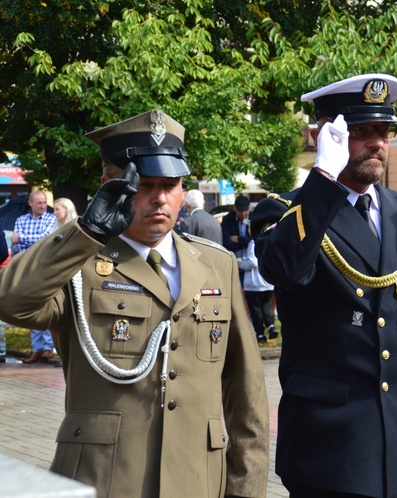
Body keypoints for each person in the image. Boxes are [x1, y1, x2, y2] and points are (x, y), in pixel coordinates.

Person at [0, 109, 269, 498]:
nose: (159, 197)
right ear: (111, 184)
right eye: (144, 184)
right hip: (103, 479)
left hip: (196, 480)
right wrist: (86, 232)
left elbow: (248, 398)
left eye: (170, 184)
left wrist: (245, 491)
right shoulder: (78, 263)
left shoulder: (216, 264)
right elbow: (10, 302)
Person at [251, 74, 397, 498]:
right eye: (361, 131)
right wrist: (322, 175)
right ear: (326, 135)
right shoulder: (285, 209)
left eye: (384, 131)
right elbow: (285, 268)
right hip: (330, 449)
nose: (377, 143)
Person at [11, 190, 58, 363]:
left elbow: (44, 240)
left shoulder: (50, 219)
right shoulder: (21, 220)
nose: (43, 206)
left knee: (43, 304)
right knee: (29, 307)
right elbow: (15, 247)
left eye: (44, 202)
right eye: (39, 203)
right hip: (25, 268)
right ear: (30, 203)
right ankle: (36, 348)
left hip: (42, 268)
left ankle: (47, 347)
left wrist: (20, 238)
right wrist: (19, 243)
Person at [239, 238, 277, 343]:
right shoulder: (269, 238)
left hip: (254, 282)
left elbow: (252, 262)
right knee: (265, 305)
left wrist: (241, 265)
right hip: (267, 282)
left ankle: (260, 334)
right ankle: (271, 325)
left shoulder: (253, 242)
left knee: (255, 308)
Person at [221, 195, 252, 281]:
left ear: (249, 207)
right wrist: (246, 243)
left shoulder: (254, 218)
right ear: (235, 208)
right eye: (240, 211)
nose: (243, 214)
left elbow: (255, 240)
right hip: (235, 263)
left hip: (251, 264)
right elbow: (226, 242)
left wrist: (238, 239)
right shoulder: (228, 219)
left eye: (246, 210)